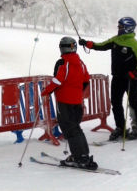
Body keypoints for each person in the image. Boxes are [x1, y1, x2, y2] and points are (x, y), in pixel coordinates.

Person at [79, 17, 137, 140]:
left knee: (134, 102)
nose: (118, 28)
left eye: (120, 27)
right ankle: (120, 128)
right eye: (119, 26)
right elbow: (102, 45)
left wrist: (136, 73)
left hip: (129, 79)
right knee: (116, 103)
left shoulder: (135, 44)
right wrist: (88, 44)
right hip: (117, 78)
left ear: (128, 28)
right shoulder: (116, 40)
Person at [41, 37, 97, 170]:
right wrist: (77, 93)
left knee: (70, 129)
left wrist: (46, 92)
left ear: (62, 48)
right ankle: (82, 155)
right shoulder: (80, 63)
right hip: (77, 102)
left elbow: (57, 81)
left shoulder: (63, 63)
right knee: (76, 128)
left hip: (65, 102)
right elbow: (86, 80)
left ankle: (80, 157)